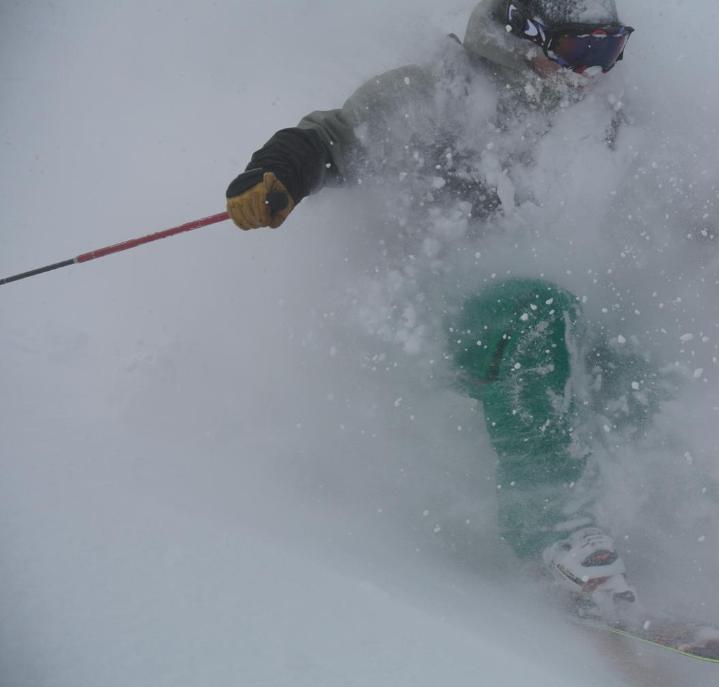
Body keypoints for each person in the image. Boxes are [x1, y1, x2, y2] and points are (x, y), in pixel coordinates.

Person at [225, 0, 651, 617]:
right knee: (537, 312)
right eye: (580, 51)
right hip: (427, 311)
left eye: (609, 51)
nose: (593, 73)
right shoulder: (436, 94)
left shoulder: (596, 120)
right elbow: (332, 137)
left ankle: (654, 528)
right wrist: (279, 173)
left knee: (632, 368)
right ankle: (556, 536)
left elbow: (672, 192)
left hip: (540, 313)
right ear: (519, 37)